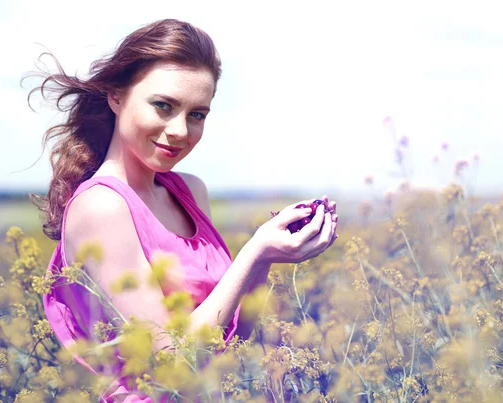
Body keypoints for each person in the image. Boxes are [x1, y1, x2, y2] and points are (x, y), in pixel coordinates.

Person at [29, 19, 338, 401]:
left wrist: (265, 259)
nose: (180, 131)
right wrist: (254, 251)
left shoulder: (189, 190)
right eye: (163, 106)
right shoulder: (101, 207)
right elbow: (172, 367)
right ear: (115, 96)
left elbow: (230, 342)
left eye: (197, 114)